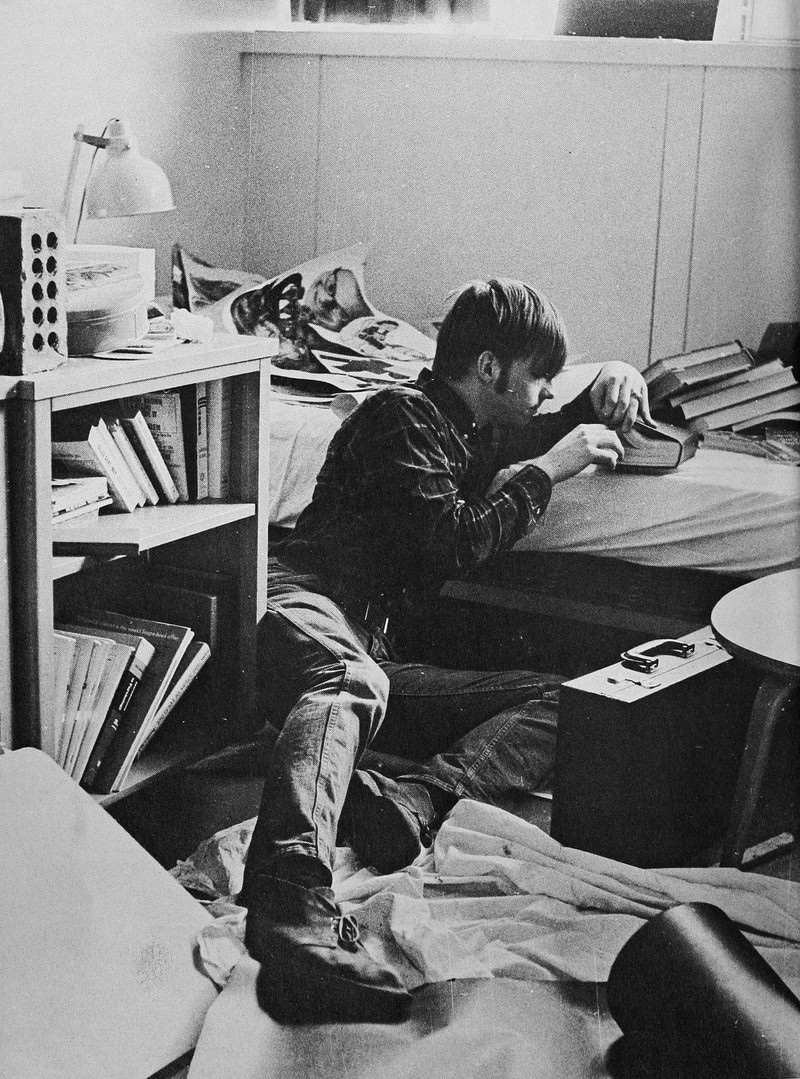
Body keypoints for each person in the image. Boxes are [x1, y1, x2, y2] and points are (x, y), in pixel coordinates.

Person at [240, 278, 652, 1023]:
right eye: (539, 376)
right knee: (350, 679)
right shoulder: (399, 415)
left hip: (370, 652)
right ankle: (291, 905)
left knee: (567, 697)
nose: (546, 392)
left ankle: (415, 801)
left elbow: (531, 430)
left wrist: (600, 391)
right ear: (490, 368)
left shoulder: (463, 431)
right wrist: (548, 472)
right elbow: (451, 542)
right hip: (302, 603)